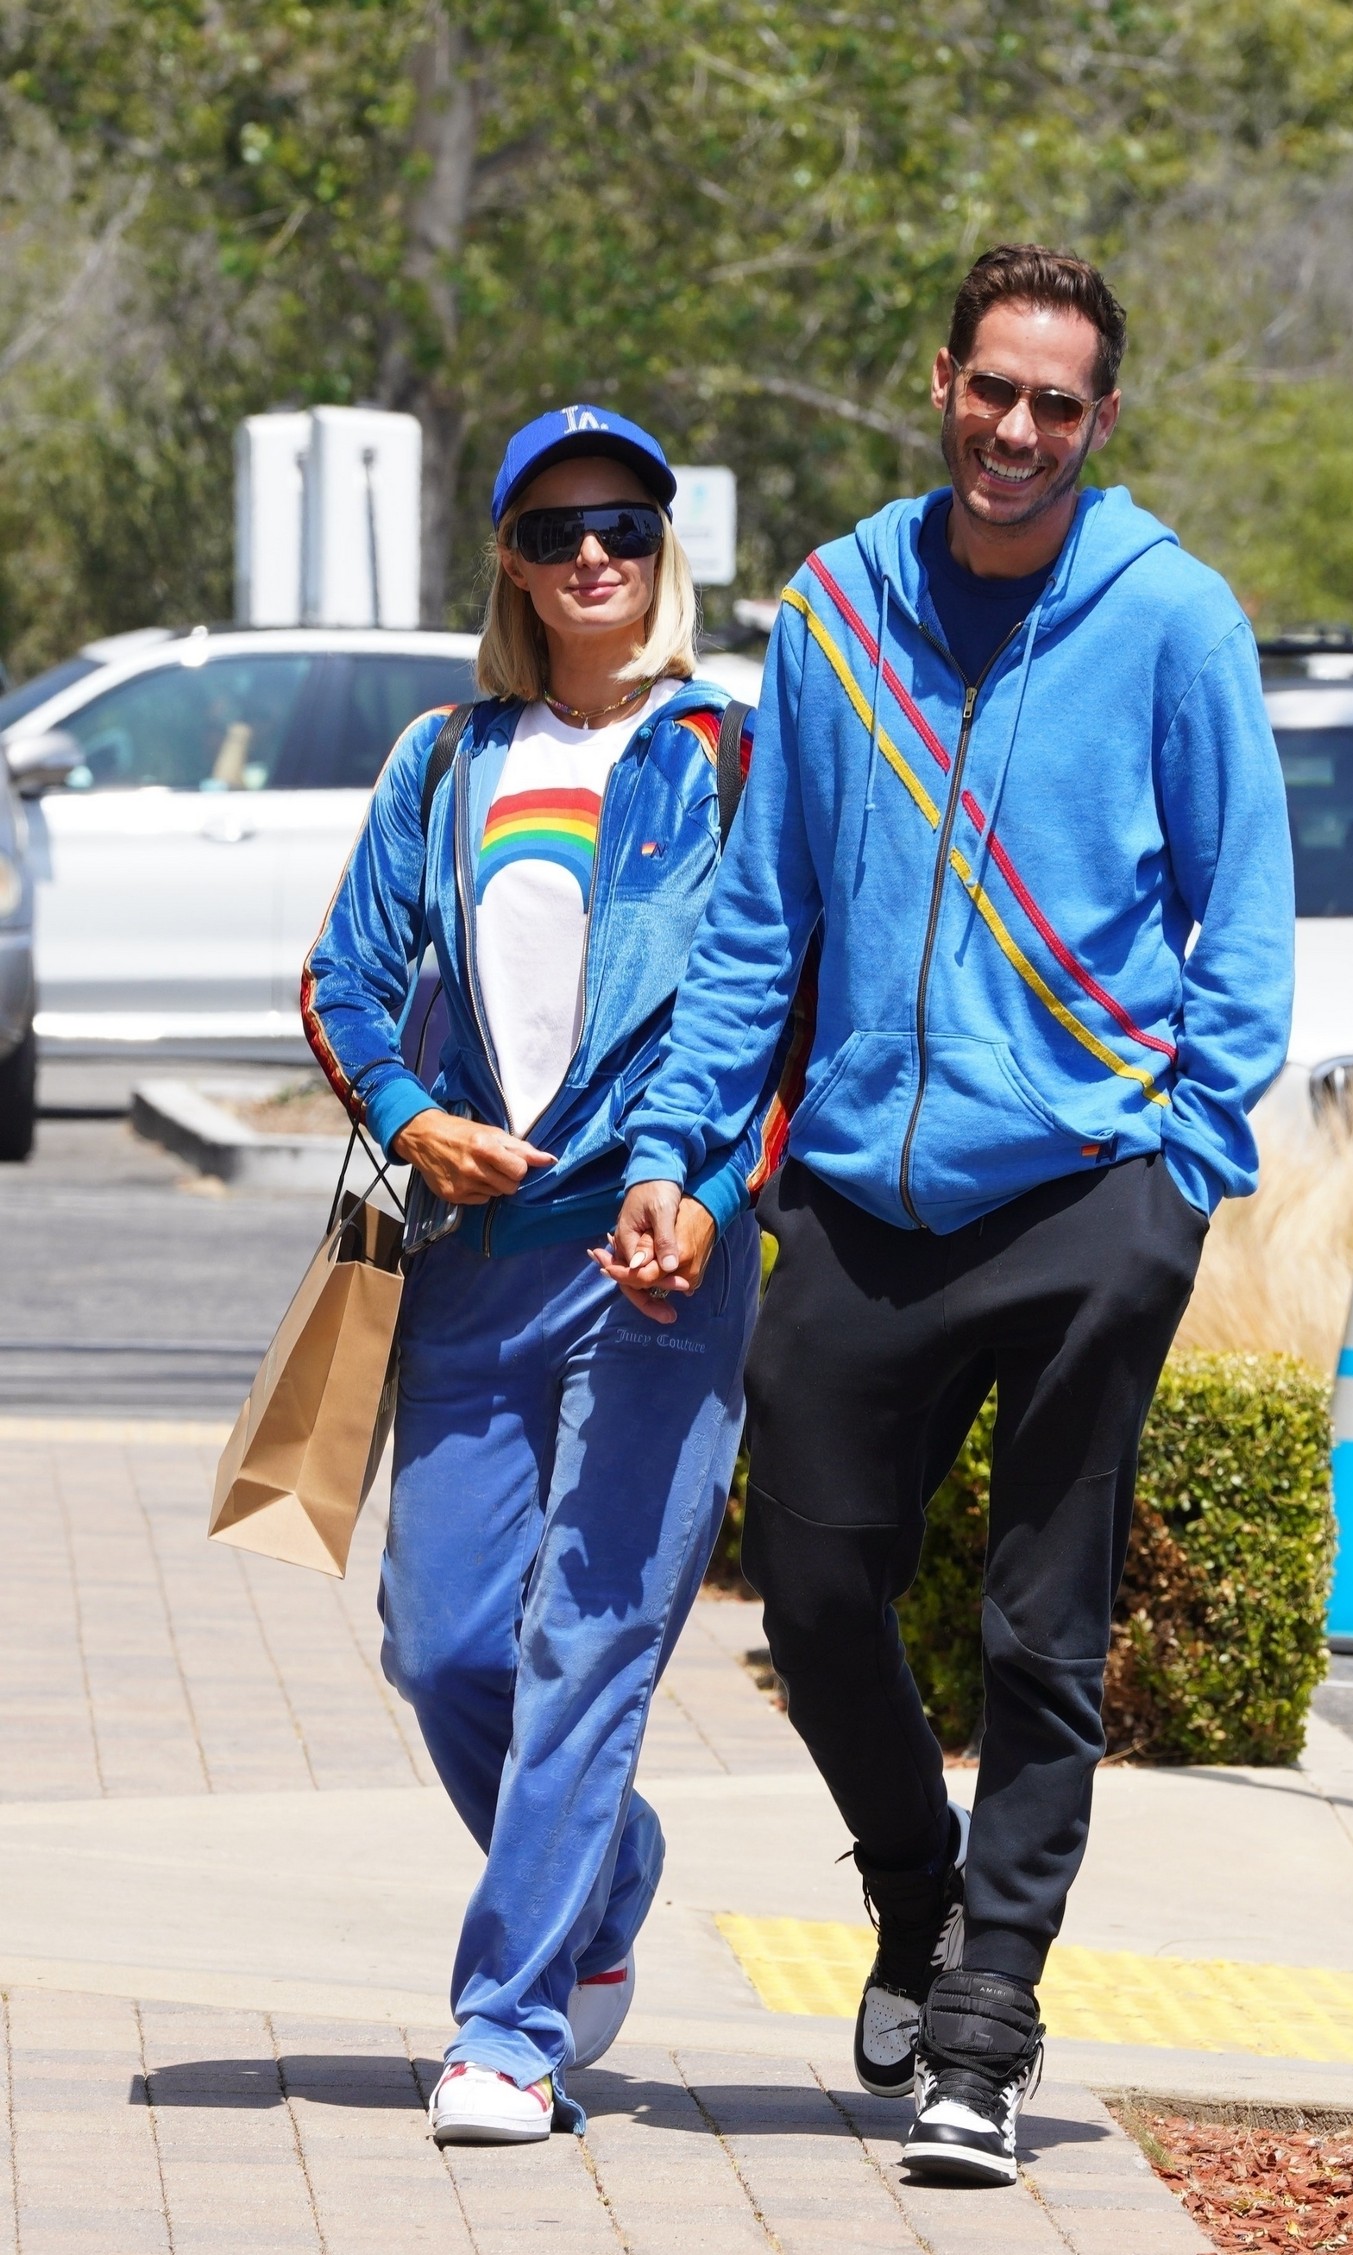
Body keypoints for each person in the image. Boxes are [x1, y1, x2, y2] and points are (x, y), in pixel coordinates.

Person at [604, 247, 1294, 2185]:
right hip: (858, 1194)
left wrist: (1180, 1176)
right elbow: (759, 926)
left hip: (1087, 1198)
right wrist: (674, 1146)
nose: (1016, 430)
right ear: (942, 382)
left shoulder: (1168, 619)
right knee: (815, 1595)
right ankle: (914, 1893)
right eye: (993, 389)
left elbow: (1241, 919)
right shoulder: (836, 610)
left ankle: (985, 2024)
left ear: (1100, 421)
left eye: (1056, 405)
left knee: (1039, 1633)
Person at [302, 406, 789, 2147]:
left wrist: (710, 1191)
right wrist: (415, 1119)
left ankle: (506, 2030)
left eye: (626, 525)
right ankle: (610, 1863)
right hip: (473, 1263)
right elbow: (343, 981)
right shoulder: (447, 758)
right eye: (558, 529)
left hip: (654, 1263)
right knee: (441, 1647)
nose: (596, 554)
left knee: (589, 1644)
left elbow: (784, 1006)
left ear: (665, 550)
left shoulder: (730, 752)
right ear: (510, 561)